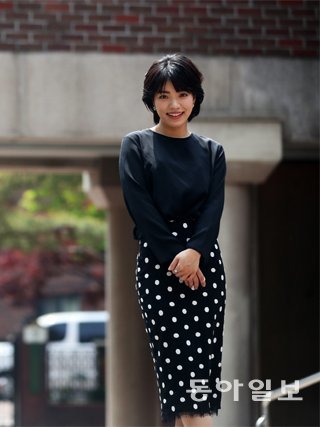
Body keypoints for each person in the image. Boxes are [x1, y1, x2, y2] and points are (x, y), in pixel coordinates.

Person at [119, 54, 226, 427]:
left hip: (205, 268)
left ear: (195, 98)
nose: (174, 104)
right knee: (181, 384)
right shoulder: (135, 146)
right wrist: (178, 259)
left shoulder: (213, 152)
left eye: (182, 94)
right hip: (161, 267)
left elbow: (213, 210)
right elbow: (141, 210)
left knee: (196, 384)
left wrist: (196, 252)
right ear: (152, 101)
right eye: (164, 96)